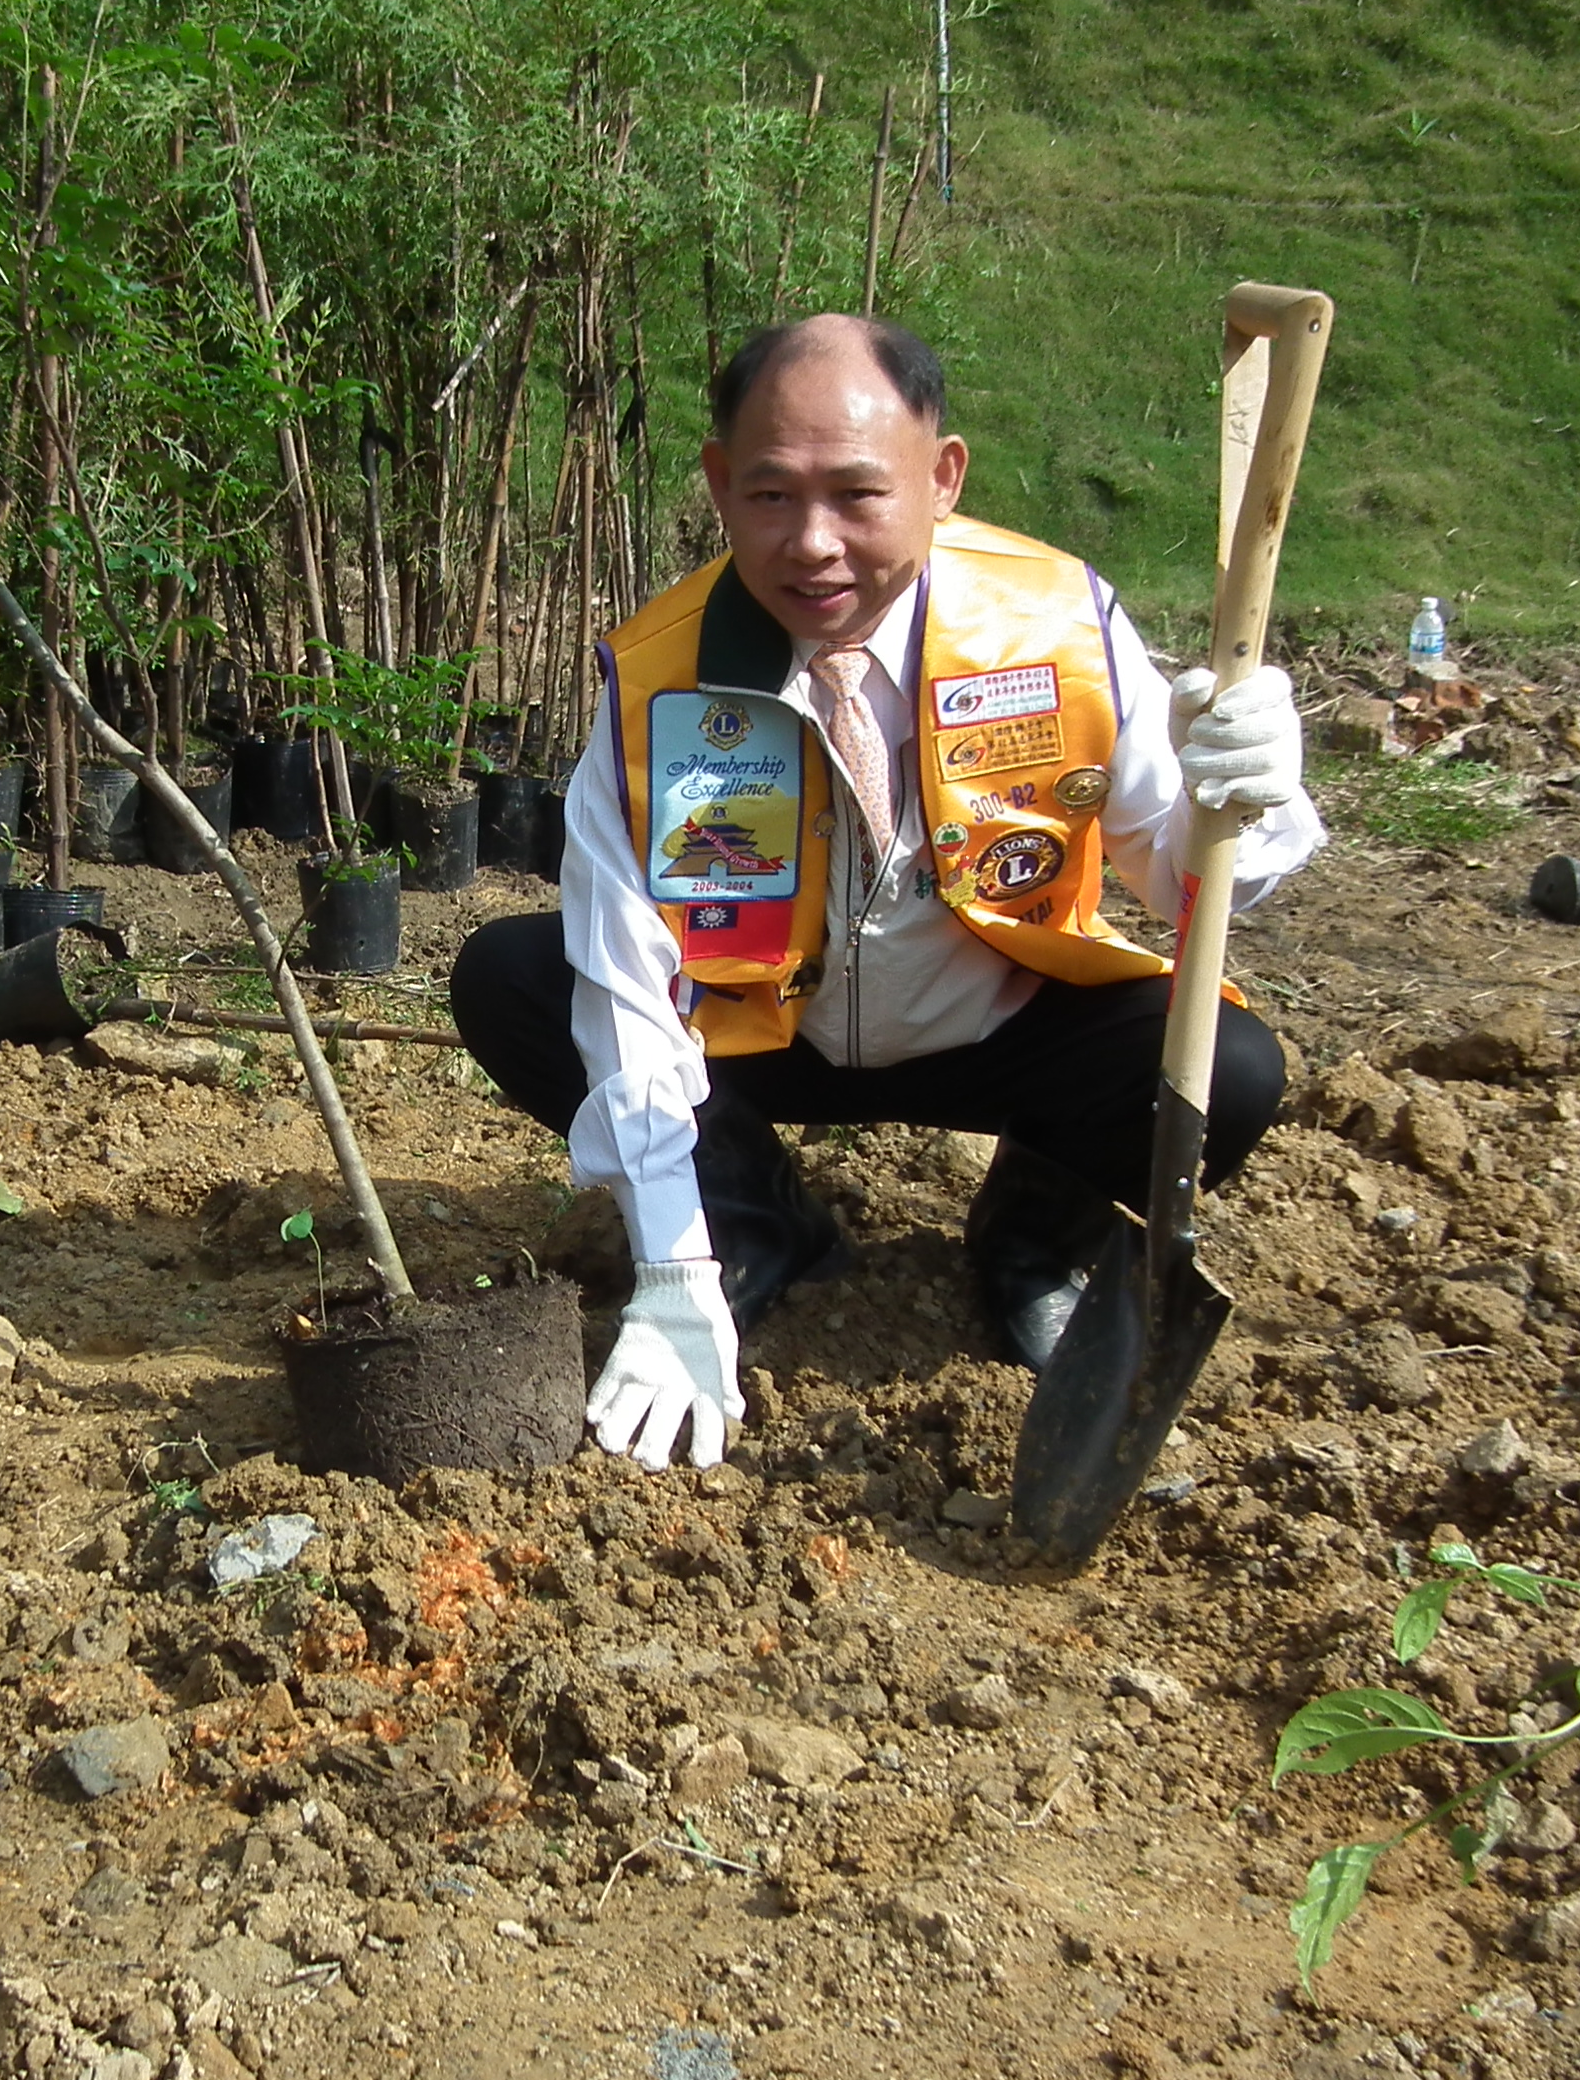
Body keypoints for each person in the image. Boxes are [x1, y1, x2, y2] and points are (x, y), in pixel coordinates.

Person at [448, 313, 1320, 1476]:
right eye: (772, 495)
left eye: (858, 496)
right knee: (516, 977)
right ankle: (752, 1226)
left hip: (999, 1026)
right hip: (763, 1035)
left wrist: (1245, 797)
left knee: (1230, 1066)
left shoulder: (1057, 627)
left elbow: (1183, 876)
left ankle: (1030, 1243)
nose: (814, 545)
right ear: (719, 483)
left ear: (941, 477)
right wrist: (671, 1266)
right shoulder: (665, 678)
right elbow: (623, 983)